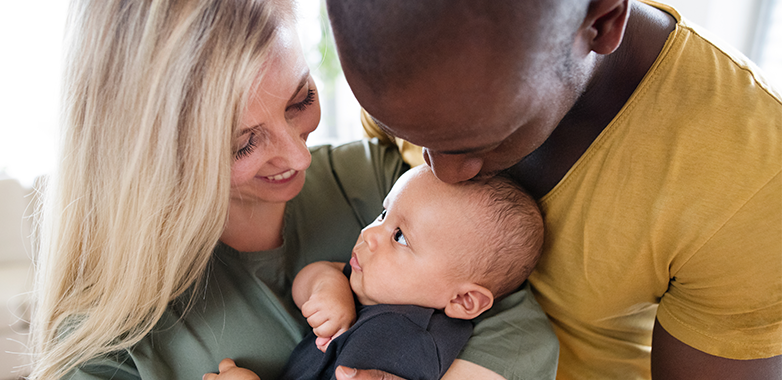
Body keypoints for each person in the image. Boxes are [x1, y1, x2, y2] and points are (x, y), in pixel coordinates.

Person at [29, 1, 559, 380]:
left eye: (300, 98)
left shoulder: (387, 185)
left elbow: (518, 327)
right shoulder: (108, 341)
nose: (299, 157)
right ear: (151, 153)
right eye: (242, 145)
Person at [325, 0, 782, 379]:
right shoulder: (407, 58)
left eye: (481, 141)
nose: (441, 172)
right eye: (407, 131)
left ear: (601, 22)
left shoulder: (753, 177)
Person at [276, 165, 543, 380]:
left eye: (400, 237)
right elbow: (313, 275)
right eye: (383, 214)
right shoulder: (369, 283)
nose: (369, 233)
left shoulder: (407, 342)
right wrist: (327, 287)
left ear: (463, 300)